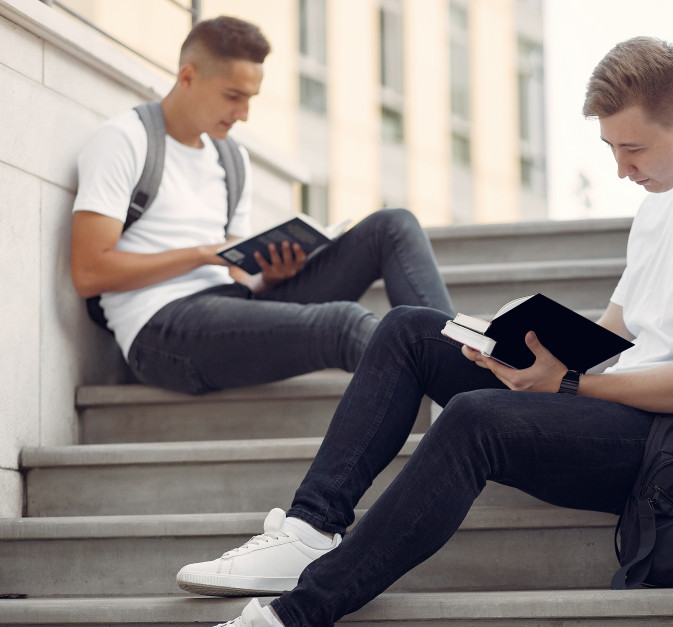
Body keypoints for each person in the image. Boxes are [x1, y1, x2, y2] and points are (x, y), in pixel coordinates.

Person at [183, 36, 673, 626]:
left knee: (473, 419)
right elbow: (616, 332)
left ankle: (295, 613)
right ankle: (307, 532)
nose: (622, 169)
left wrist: (567, 389)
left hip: (671, 446)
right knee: (410, 329)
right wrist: (516, 349)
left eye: (634, 149)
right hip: (613, 401)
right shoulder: (659, 206)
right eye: (610, 149)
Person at [69, 16, 453, 395]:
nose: (243, 114)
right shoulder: (125, 140)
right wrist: (203, 254)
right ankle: (463, 391)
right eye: (233, 96)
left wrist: (269, 276)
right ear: (187, 77)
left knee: (393, 225)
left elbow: (237, 280)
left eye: (250, 99)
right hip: (160, 331)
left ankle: (458, 362)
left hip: (229, 307)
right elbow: (88, 272)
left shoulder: (231, 158)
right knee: (345, 324)